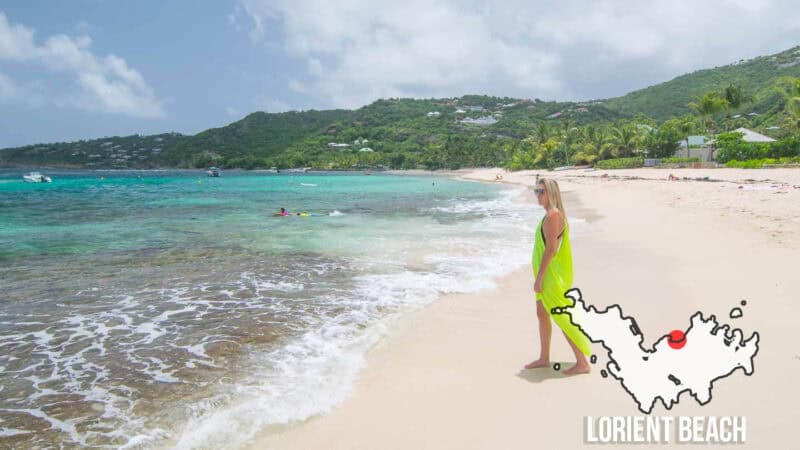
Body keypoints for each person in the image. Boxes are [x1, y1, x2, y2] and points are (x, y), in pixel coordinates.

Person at [525, 178, 592, 375]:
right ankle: (544, 358)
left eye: (541, 191)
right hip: (544, 275)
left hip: (550, 277)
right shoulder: (548, 215)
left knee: (561, 317)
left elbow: (551, 250)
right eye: (536, 191)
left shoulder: (554, 216)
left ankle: (582, 363)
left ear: (552, 193)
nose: (538, 195)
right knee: (542, 314)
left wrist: (539, 279)